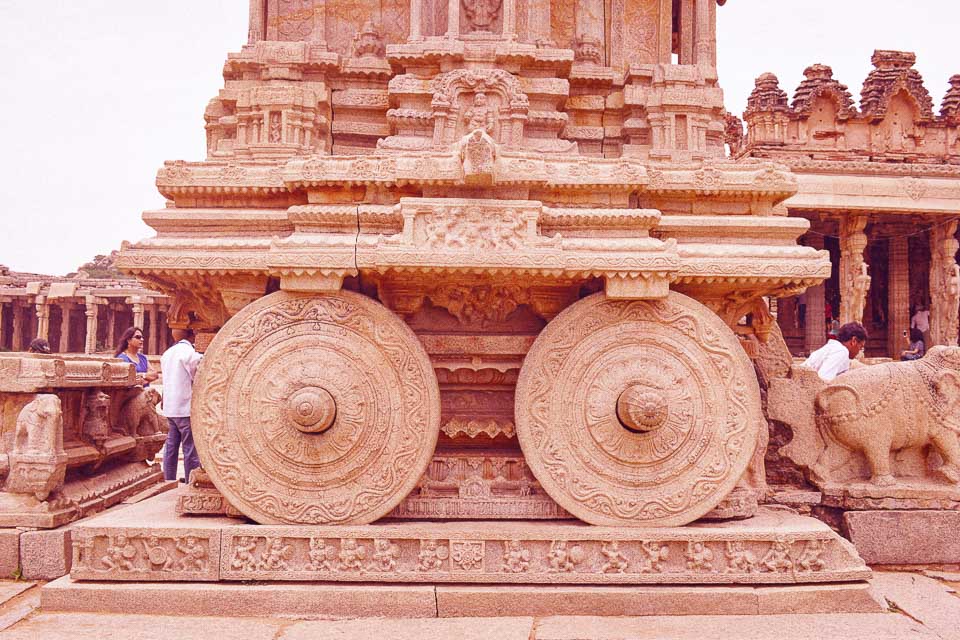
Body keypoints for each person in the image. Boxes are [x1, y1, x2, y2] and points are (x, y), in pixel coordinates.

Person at [160, 328, 203, 483]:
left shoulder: (167, 354)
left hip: (170, 408)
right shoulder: (190, 354)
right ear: (192, 335)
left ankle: (168, 479)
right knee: (190, 448)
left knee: (171, 447)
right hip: (185, 407)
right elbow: (197, 376)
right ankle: (191, 480)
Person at [802, 322, 867, 382]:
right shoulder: (841, 351)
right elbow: (823, 380)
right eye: (861, 347)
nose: (859, 351)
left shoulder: (834, 348)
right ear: (854, 341)